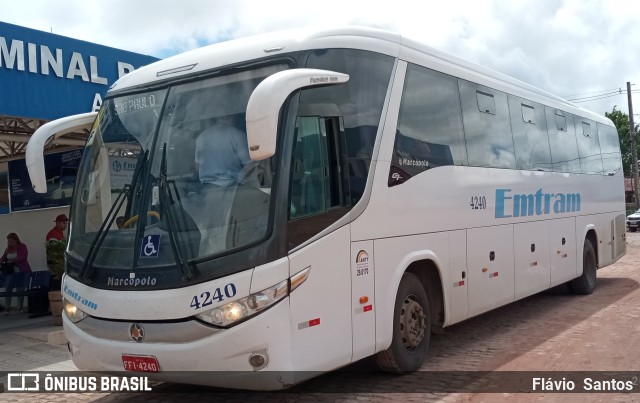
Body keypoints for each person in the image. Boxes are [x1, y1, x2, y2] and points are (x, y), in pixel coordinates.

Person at [195, 115, 257, 187]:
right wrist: (240, 180)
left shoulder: (201, 137)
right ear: (230, 118)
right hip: (232, 189)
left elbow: (197, 167)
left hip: (206, 190)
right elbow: (249, 165)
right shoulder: (237, 134)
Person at [1, 233, 32, 315]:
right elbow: (4, 257)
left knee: (20, 288)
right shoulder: (8, 249)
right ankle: (7, 307)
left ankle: (20, 307)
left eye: (11, 241)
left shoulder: (22, 247)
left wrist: (14, 261)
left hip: (22, 270)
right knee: (8, 288)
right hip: (11, 272)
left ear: (16, 240)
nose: (10, 243)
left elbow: (23, 257)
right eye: (8, 241)